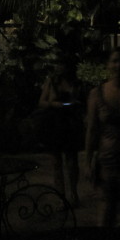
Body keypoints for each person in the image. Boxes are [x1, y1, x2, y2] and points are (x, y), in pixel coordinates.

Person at [84, 46, 120, 230]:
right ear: (108, 64)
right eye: (114, 61)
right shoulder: (97, 93)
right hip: (107, 160)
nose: (119, 65)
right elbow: (92, 129)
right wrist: (88, 161)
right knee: (106, 213)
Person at [37, 52, 85, 206]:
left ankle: (73, 193)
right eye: (58, 64)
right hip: (55, 123)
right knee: (56, 161)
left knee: (72, 161)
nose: (58, 67)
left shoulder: (76, 83)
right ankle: (61, 196)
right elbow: (41, 102)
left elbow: (80, 102)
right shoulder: (52, 81)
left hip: (70, 122)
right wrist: (53, 104)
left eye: (61, 64)